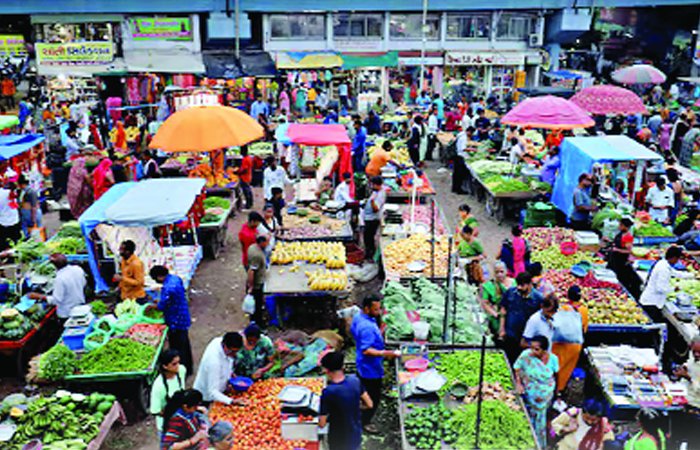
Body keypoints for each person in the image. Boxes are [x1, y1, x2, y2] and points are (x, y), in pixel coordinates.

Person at [351, 296, 398, 432]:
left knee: (362, 392)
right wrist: (387, 353)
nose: (379, 312)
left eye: (379, 308)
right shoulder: (367, 328)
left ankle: (358, 413)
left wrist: (379, 332)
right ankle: (365, 422)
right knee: (373, 398)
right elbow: (366, 350)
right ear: (367, 309)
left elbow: (357, 336)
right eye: (376, 309)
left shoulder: (359, 317)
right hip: (370, 369)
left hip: (361, 364)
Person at [318, 351, 373, 450]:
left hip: (338, 438)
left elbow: (322, 423)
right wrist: (353, 406)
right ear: (342, 366)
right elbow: (369, 404)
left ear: (326, 370)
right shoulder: (355, 380)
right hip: (355, 433)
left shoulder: (329, 392)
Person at [514, 335, 559, 449]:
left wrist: (556, 394)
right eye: (531, 347)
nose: (532, 351)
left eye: (536, 349)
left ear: (544, 350)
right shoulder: (526, 355)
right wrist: (518, 383)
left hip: (546, 393)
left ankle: (538, 441)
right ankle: (526, 438)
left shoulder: (553, 359)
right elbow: (517, 368)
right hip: (530, 391)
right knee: (528, 414)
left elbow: (556, 376)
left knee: (540, 417)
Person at [151, 266, 193, 375]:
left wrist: (153, 306)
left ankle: (181, 370)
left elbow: (162, 306)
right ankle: (188, 368)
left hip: (175, 320)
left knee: (178, 346)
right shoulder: (175, 278)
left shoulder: (168, 288)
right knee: (185, 344)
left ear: (159, 277)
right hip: (182, 315)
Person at [500, 271, 543, 363]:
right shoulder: (510, 292)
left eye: (522, 285)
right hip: (510, 334)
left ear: (530, 284)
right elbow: (503, 310)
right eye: (518, 285)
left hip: (526, 338)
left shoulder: (538, 298)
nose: (519, 287)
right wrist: (502, 329)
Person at [27, 254, 86, 320]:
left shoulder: (60, 279)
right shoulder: (78, 269)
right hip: (80, 306)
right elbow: (84, 283)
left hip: (67, 313)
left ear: (54, 265)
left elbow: (56, 300)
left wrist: (38, 296)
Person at [193, 332, 246, 406]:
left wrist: (229, 373)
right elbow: (212, 392)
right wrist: (232, 401)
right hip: (206, 397)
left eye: (236, 351)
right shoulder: (214, 361)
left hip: (220, 392)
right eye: (232, 351)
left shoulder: (219, 341)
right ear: (224, 345)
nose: (234, 354)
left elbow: (226, 362)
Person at [552, 286, 587, 392]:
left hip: (559, 343)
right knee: (566, 368)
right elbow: (584, 328)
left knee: (555, 366)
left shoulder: (562, 308)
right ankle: (560, 390)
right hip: (574, 345)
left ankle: (551, 388)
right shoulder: (583, 310)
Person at [639, 245, 683, 321]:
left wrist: (693, 275)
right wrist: (674, 289)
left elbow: (674, 273)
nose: (677, 261)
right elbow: (660, 288)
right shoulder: (664, 269)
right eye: (677, 259)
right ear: (674, 258)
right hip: (652, 303)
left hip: (650, 301)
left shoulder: (663, 263)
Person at [150, 349, 188, 436]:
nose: (178, 366)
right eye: (174, 364)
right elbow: (155, 410)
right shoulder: (159, 386)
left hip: (182, 420)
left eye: (178, 362)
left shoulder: (182, 370)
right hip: (167, 425)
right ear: (165, 366)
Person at [672, 335, 700, 445]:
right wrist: (682, 369)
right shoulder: (693, 359)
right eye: (694, 352)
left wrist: (689, 377)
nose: (696, 355)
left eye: (699, 352)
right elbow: (689, 364)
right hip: (686, 404)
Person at [607, 217, 640, 299]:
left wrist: (616, 249)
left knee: (620, 279)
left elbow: (628, 251)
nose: (619, 226)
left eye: (621, 225)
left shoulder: (628, 237)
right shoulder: (621, 234)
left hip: (621, 262)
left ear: (626, 227)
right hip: (614, 260)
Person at [481, 261, 513, 338]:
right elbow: (485, 303)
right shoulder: (489, 286)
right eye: (497, 272)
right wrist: (494, 313)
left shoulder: (514, 283)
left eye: (501, 272)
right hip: (497, 318)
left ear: (506, 271)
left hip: (512, 316)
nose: (499, 274)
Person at [246, 235, 269, 326]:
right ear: (262, 242)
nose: (268, 244)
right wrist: (251, 286)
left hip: (256, 282)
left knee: (258, 304)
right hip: (257, 284)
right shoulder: (257, 255)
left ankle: (255, 320)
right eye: (267, 242)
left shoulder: (252, 247)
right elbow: (251, 271)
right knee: (257, 305)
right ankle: (258, 324)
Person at [362, 176, 386, 261]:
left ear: (377, 185)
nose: (372, 186)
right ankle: (368, 253)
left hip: (373, 219)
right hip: (368, 217)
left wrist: (372, 201)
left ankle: (370, 255)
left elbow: (376, 209)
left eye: (373, 184)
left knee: (369, 237)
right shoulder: (376, 191)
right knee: (367, 237)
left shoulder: (380, 194)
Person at [0, 184, 19, 251]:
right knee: (15, 242)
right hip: (14, 220)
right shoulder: (9, 192)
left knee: (4, 244)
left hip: (3, 222)